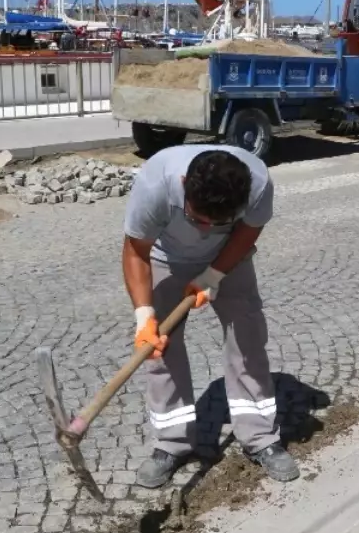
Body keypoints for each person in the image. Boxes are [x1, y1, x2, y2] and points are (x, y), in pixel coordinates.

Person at [122, 146, 300, 488]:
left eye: (215, 222)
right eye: (196, 218)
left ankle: (261, 437)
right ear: (185, 184)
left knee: (247, 339)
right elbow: (135, 251)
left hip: (228, 257)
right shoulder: (155, 183)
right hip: (165, 258)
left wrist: (213, 275)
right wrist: (144, 316)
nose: (204, 229)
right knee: (160, 348)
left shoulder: (258, 182)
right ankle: (171, 443)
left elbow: (248, 230)